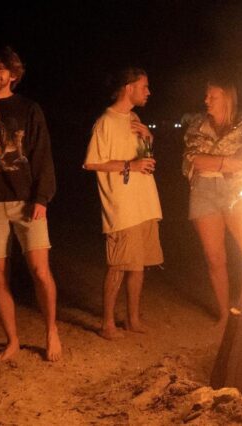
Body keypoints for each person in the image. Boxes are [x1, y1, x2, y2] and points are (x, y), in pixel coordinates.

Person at [0, 45, 62, 362]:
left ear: (13, 74)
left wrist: (42, 198)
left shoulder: (29, 109)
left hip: (26, 200)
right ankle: (12, 341)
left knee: (39, 270)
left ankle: (51, 332)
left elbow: (43, 156)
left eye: (1, 68)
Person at [84, 67, 163, 340]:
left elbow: (144, 158)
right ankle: (107, 323)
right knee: (118, 265)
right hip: (121, 205)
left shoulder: (134, 118)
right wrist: (132, 164)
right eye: (145, 87)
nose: (149, 92)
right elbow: (91, 161)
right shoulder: (104, 121)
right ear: (129, 88)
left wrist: (148, 139)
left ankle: (132, 319)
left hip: (143, 202)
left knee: (138, 264)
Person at [182, 77, 242, 334]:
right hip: (203, 192)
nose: (206, 101)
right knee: (215, 259)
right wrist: (227, 162)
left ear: (226, 98)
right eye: (206, 97)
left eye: (212, 97)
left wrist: (216, 162)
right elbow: (194, 158)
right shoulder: (196, 126)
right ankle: (225, 315)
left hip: (235, 191)